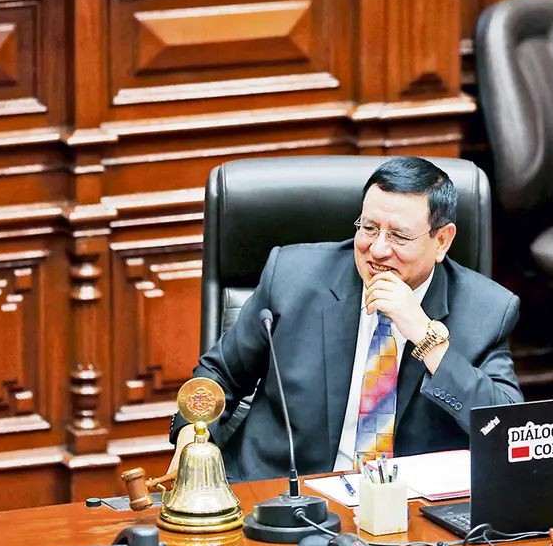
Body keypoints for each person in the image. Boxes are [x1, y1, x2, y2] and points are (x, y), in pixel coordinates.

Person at [168, 157, 523, 482]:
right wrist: (190, 440)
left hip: (407, 506)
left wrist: (425, 336)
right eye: (369, 228)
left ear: (442, 240)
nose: (378, 249)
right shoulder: (291, 277)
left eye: (399, 236)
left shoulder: (486, 310)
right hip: (281, 493)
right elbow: (218, 376)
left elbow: (505, 430)